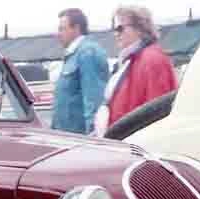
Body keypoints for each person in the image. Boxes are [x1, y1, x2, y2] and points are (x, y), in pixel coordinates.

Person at [93, 5, 178, 136]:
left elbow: (157, 113)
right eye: (114, 29)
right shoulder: (131, 60)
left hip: (137, 143)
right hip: (124, 141)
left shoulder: (153, 59)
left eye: (120, 28)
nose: (116, 34)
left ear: (139, 28)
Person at [51, 8, 109, 135]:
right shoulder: (73, 54)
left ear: (76, 28)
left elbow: (93, 100)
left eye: (62, 29)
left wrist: (93, 137)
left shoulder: (87, 53)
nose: (58, 34)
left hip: (79, 138)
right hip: (66, 136)